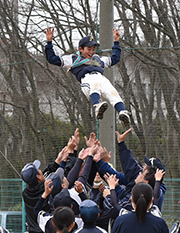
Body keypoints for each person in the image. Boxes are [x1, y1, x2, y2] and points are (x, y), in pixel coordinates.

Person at [44, 27, 130, 126]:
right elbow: (52, 59)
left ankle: (122, 112)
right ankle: (98, 106)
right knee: (94, 85)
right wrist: (49, 42)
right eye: (88, 49)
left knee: (113, 92)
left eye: (93, 49)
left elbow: (114, 59)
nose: (91, 52)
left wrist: (116, 42)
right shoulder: (74, 59)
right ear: (80, 49)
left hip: (101, 78)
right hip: (87, 79)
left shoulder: (98, 58)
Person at [21, 147, 69, 233]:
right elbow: (55, 177)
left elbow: (44, 175)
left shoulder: (25, 193)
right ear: (38, 177)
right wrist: (63, 162)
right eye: (38, 170)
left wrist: (57, 161)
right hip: (46, 229)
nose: (41, 170)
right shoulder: (48, 189)